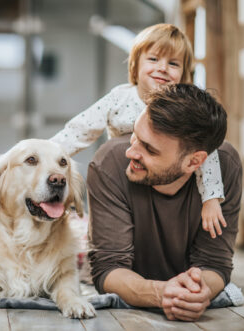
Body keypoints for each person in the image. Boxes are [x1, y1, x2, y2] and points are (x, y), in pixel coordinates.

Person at [51, 23, 226, 238]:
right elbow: (80, 129)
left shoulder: (184, 111)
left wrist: (211, 198)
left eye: (173, 63)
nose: (162, 68)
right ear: (135, 66)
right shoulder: (119, 98)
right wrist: (48, 155)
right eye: (153, 59)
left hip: (164, 183)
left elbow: (206, 152)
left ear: (184, 74)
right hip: (125, 180)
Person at [87, 84, 242, 321]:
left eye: (149, 149)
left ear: (194, 162)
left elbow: (215, 263)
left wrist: (200, 293)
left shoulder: (225, 166)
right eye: (135, 136)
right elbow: (108, 268)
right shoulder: (109, 164)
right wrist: (161, 293)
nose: (131, 152)